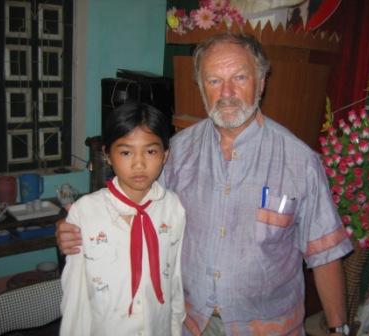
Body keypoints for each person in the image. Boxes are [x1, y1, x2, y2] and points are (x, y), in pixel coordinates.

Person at [57, 33, 353, 336]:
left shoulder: (300, 162)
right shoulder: (177, 151)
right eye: (213, 81)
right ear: (200, 88)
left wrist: (337, 328)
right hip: (189, 322)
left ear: (261, 82)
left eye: (239, 77)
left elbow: (325, 255)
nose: (227, 92)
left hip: (268, 327)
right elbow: (134, 198)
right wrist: (80, 223)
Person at [59, 103, 186, 336]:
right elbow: (75, 297)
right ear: (107, 155)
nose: (139, 164)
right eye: (126, 152)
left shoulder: (173, 209)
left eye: (150, 151)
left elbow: (175, 282)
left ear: (165, 155)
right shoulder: (84, 213)